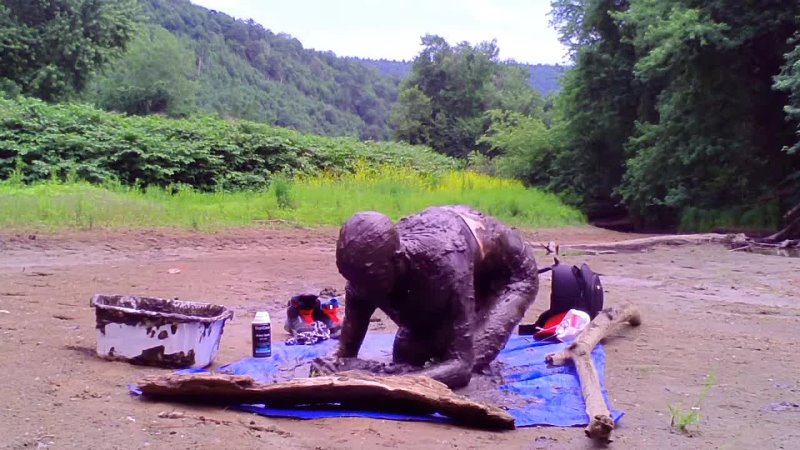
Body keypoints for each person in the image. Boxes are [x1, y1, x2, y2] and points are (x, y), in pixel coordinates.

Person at [316, 205, 539, 389]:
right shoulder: (363, 272)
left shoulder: (447, 267)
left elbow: (461, 365)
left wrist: (389, 383)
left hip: (508, 277)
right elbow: (345, 351)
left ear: (398, 260)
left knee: (471, 358)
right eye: (352, 279)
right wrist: (331, 362)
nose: (360, 290)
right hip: (454, 249)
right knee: (406, 357)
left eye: (372, 281)